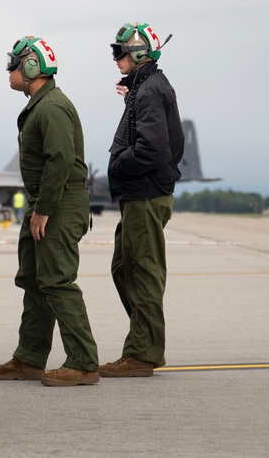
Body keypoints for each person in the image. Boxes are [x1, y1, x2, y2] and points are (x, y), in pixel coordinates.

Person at [0, 36, 100, 387]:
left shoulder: (51, 107)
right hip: (45, 202)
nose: (10, 70)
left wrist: (44, 210)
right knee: (35, 283)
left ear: (33, 67)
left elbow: (60, 160)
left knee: (57, 282)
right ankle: (30, 359)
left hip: (59, 205)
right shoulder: (41, 104)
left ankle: (83, 363)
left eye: (16, 63)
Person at [99, 22, 184, 378]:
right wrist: (132, 93)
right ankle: (142, 343)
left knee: (144, 273)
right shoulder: (145, 88)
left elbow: (153, 149)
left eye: (120, 52)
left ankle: (143, 353)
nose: (116, 57)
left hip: (146, 195)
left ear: (138, 55)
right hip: (139, 195)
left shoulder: (150, 90)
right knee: (124, 268)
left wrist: (118, 163)